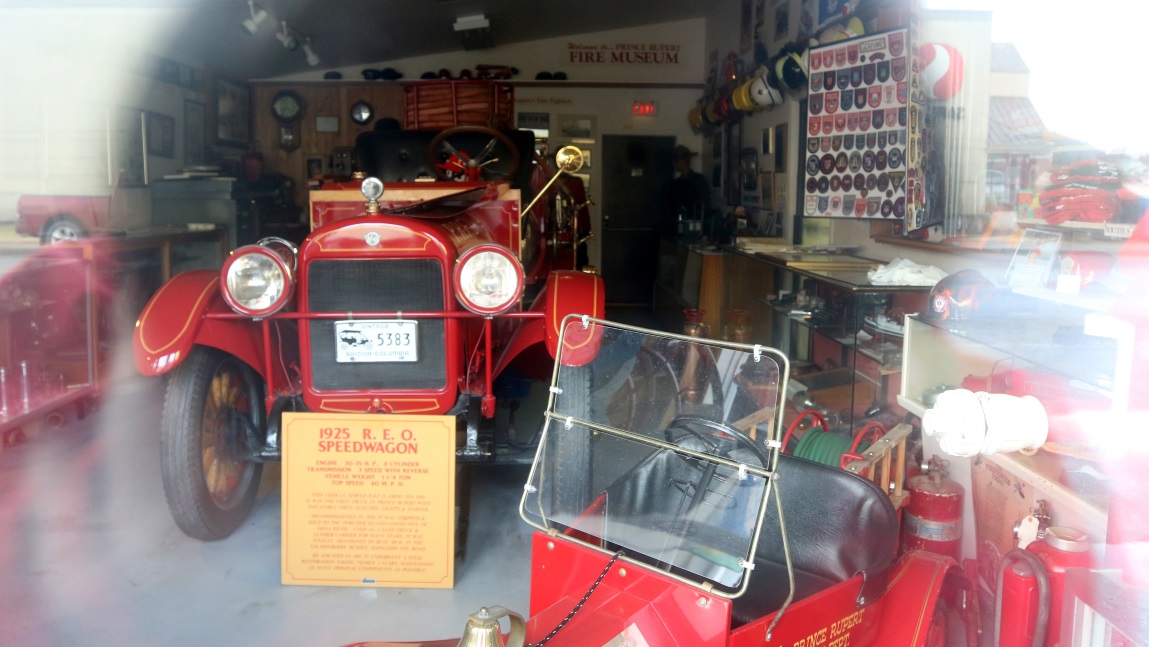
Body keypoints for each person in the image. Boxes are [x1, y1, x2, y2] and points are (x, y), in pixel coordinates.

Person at [666, 145, 711, 236]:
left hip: (693, 226)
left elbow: (704, 205)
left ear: (684, 161)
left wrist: (703, 229)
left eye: (676, 161)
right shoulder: (675, 183)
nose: (674, 164)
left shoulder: (698, 180)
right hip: (676, 226)